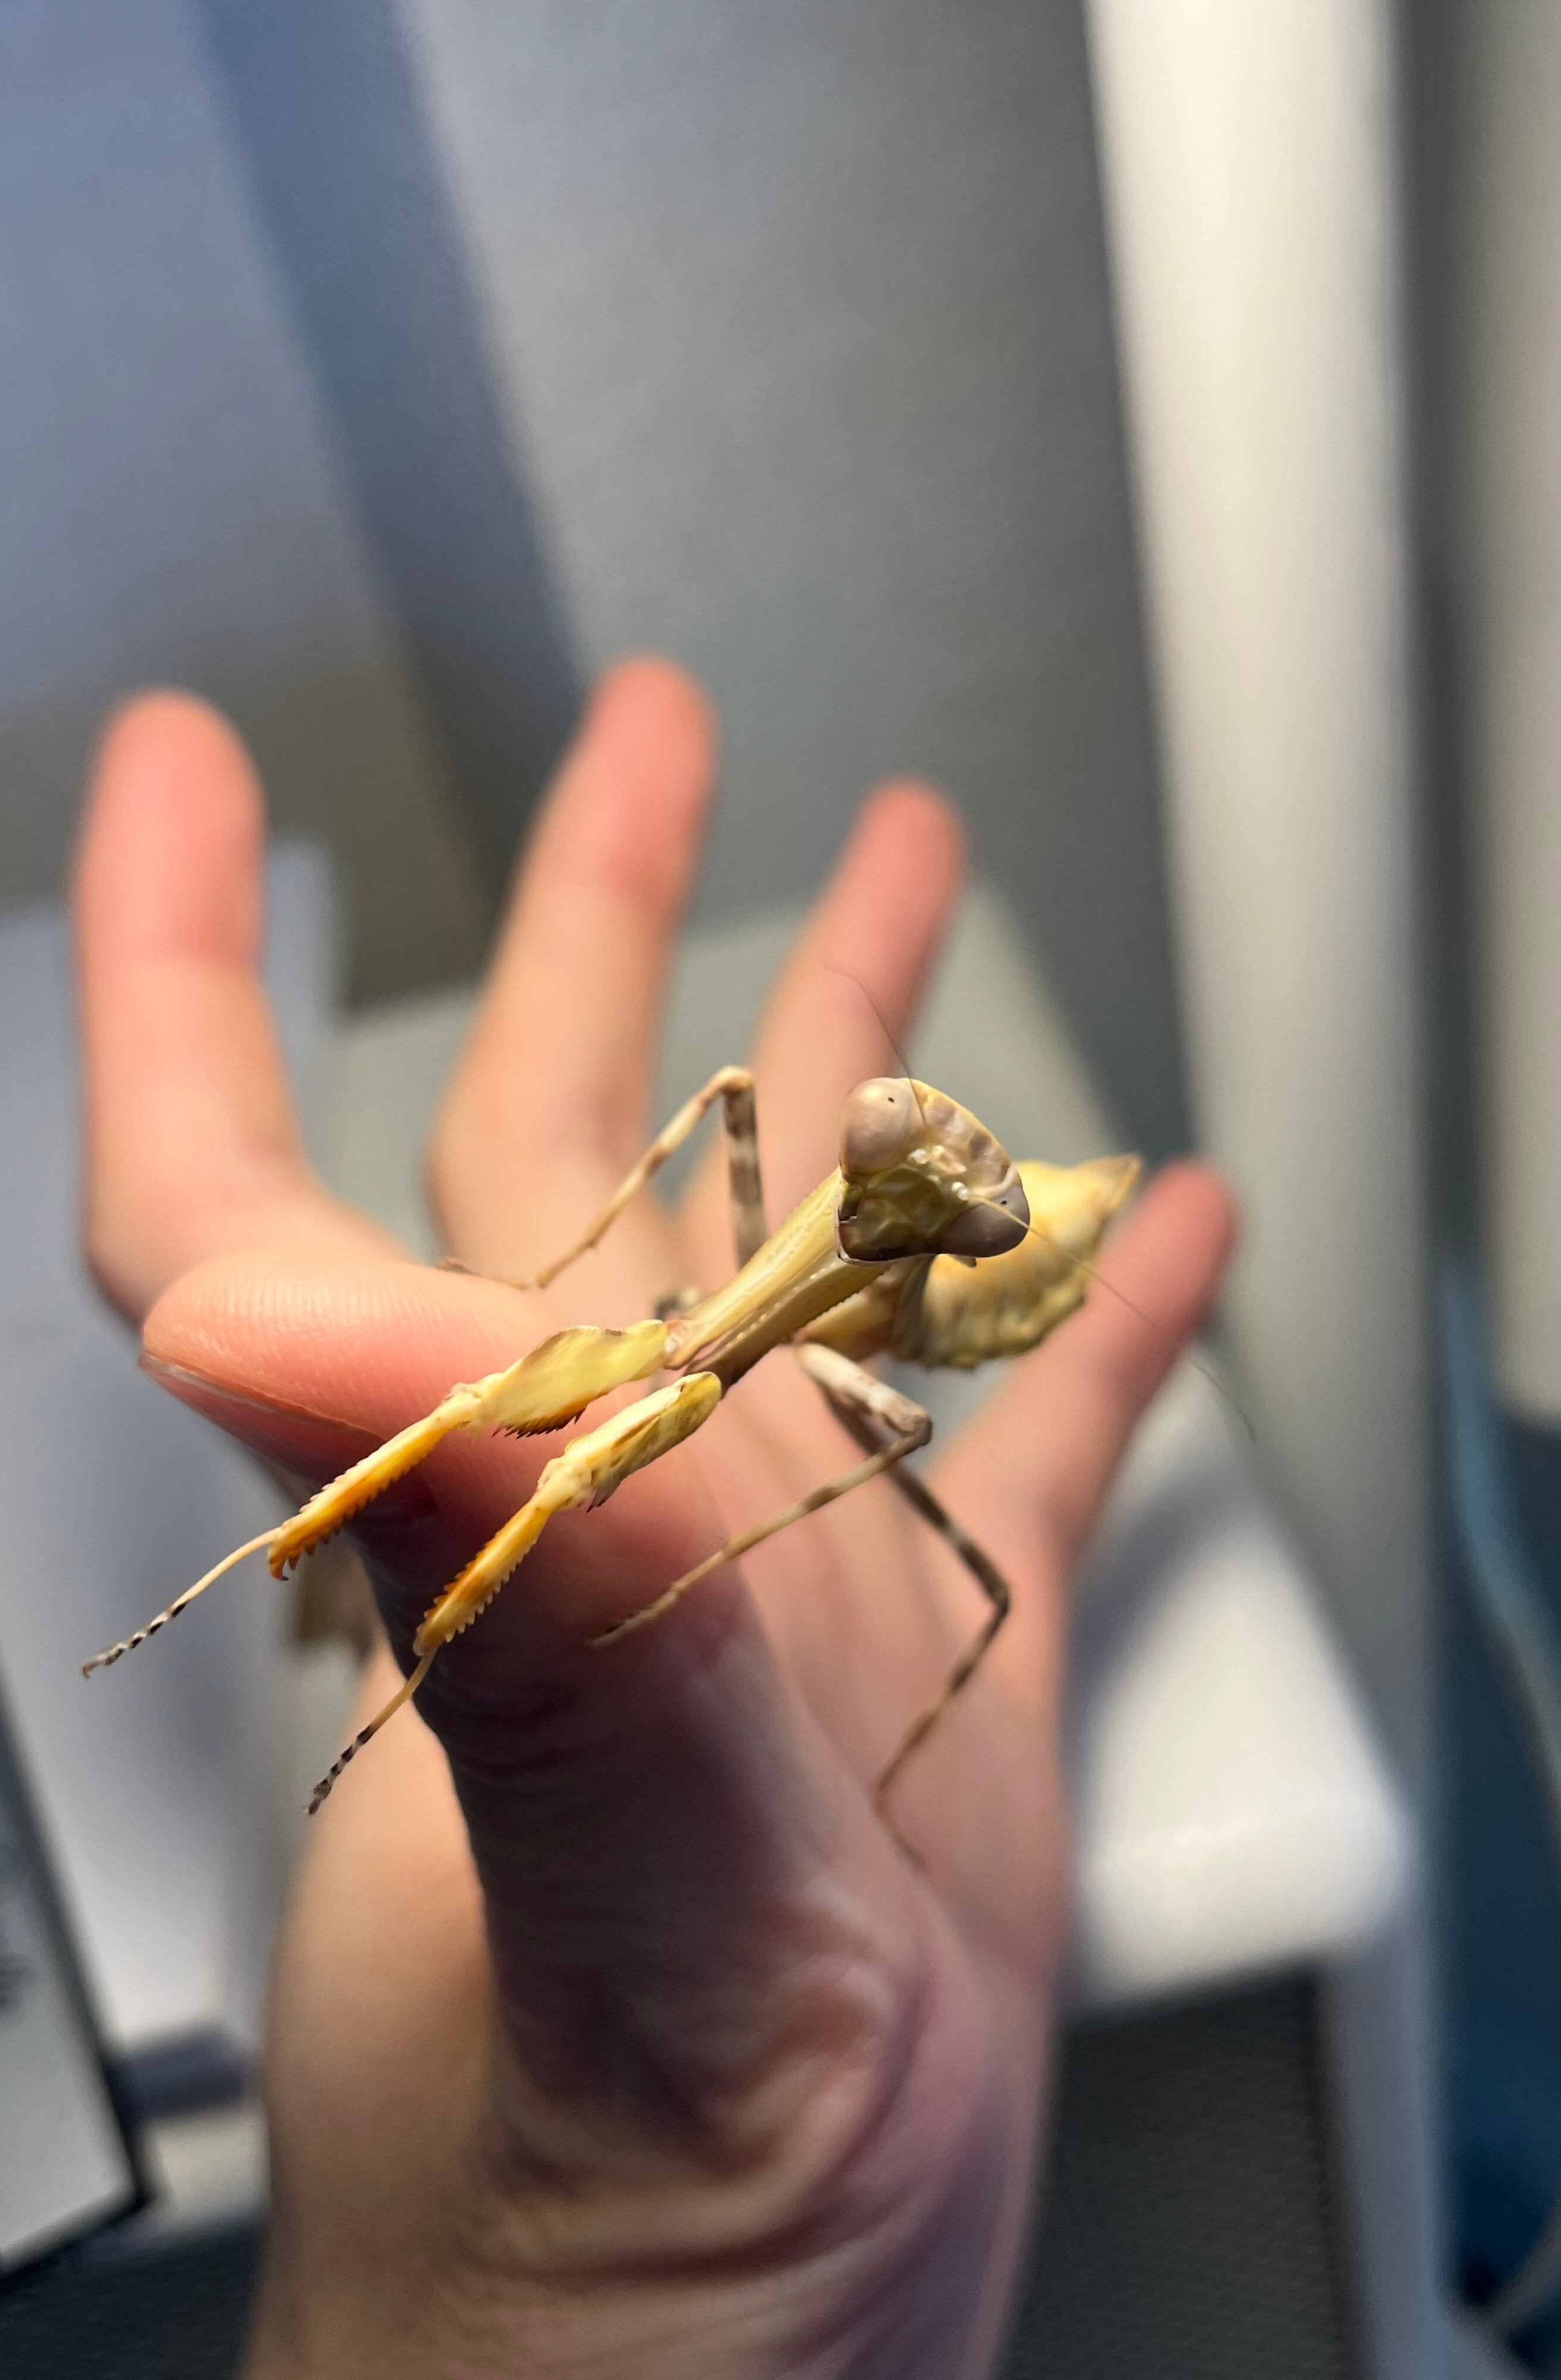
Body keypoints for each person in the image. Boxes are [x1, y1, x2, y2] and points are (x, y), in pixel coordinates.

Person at [73, 659, 1233, 2378]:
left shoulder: (869, 1358)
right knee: (497, 1409)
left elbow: (822, 1432)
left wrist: (748, 1541)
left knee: (908, 1557)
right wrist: (556, 1274)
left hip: (848, 1353)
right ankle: (232, 1580)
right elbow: (711, 1141)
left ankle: (373, 1633)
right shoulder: (777, 1223)